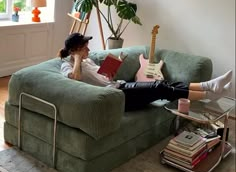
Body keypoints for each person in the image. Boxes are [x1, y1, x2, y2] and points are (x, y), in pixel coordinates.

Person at [59, 33, 232, 111]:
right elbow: (75, 79)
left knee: (164, 84)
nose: (88, 50)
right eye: (84, 47)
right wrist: (77, 59)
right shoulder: (67, 65)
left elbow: (102, 78)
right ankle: (208, 94)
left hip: (120, 86)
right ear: (75, 49)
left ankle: (208, 86)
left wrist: (111, 71)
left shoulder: (88, 60)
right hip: (117, 98)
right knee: (159, 88)